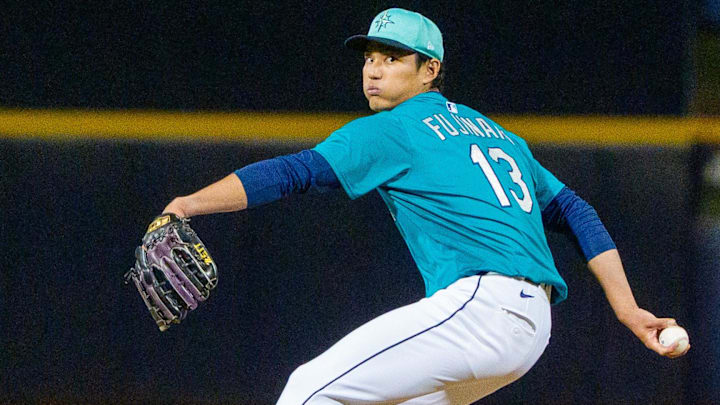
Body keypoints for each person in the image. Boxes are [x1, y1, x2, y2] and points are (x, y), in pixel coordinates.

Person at [162, 8, 689, 404]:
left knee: (308, 391)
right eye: (369, 57)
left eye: (392, 58)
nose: (373, 70)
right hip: (530, 331)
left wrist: (190, 204)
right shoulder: (498, 134)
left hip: (481, 308)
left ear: (429, 69)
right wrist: (626, 308)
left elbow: (295, 173)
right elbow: (576, 211)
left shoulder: (395, 129)